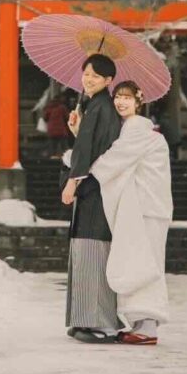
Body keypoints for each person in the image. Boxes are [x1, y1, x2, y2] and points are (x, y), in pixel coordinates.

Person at [91, 80, 173, 346]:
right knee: (142, 261)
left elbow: (114, 161)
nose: (121, 101)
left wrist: (76, 162)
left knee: (143, 263)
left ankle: (147, 326)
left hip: (146, 207)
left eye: (127, 97)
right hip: (148, 207)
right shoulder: (133, 129)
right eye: (117, 96)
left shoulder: (137, 128)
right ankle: (142, 324)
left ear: (139, 101)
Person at [60, 53, 122, 344]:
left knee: (92, 250)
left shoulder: (100, 107)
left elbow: (88, 150)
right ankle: (82, 319)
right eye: (86, 73)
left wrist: (72, 182)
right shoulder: (96, 106)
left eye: (96, 76)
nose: (88, 79)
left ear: (109, 80)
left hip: (94, 189)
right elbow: (88, 143)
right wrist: (77, 129)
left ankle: (96, 322)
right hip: (95, 187)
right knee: (85, 248)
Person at [43, 94, 69, 158]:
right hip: (61, 130)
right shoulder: (62, 107)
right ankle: (67, 157)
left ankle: (52, 157)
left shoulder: (48, 107)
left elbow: (45, 118)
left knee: (52, 145)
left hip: (51, 130)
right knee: (64, 146)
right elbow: (67, 117)